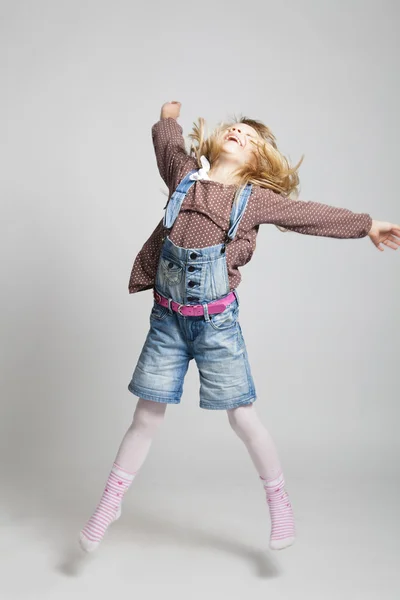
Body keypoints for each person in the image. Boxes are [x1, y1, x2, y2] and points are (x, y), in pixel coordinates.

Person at [79, 101, 400, 553]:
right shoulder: (185, 176)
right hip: (167, 322)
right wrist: (168, 117)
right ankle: (109, 503)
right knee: (146, 417)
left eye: (250, 140)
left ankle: (280, 503)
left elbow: (310, 214)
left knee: (244, 418)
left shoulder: (255, 200)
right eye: (235, 129)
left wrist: (366, 225)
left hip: (216, 328)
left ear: (257, 163)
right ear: (218, 140)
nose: (239, 135)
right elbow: (167, 146)